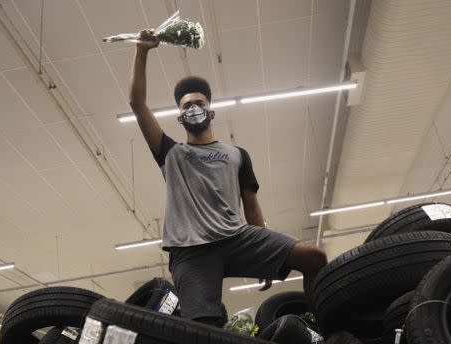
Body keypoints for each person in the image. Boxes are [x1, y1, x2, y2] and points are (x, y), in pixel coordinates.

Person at [129, 29, 327, 326]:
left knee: (314, 258)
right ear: (180, 117)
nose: (194, 108)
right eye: (187, 106)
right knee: (205, 327)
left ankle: (323, 327)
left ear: (211, 112)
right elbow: (137, 103)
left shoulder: (237, 154)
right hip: (190, 251)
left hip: (237, 238)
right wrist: (142, 51)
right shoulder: (170, 152)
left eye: (200, 104)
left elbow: (251, 203)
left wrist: (262, 250)